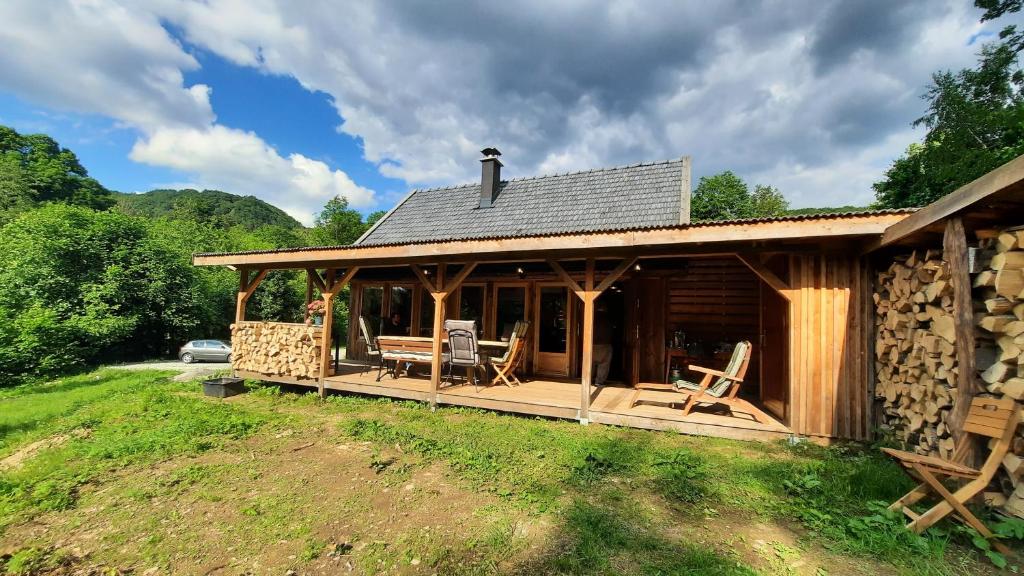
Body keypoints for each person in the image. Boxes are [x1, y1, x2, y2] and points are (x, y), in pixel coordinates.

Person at [592, 302, 613, 386]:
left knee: (591, 363)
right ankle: (599, 381)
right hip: (605, 343)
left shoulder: (592, 316)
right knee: (604, 364)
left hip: (592, 344)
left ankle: (588, 379)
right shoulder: (608, 318)